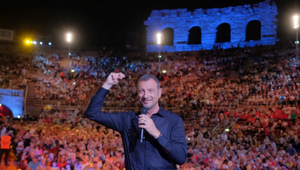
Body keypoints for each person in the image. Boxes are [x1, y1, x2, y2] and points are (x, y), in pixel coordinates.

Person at [85, 72, 187, 169]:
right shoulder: (127, 119)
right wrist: (107, 84)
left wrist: (156, 134)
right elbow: (92, 113)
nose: (145, 96)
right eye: (141, 91)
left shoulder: (174, 120)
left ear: (159, 93)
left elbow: (181, 158)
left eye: (150, 90)